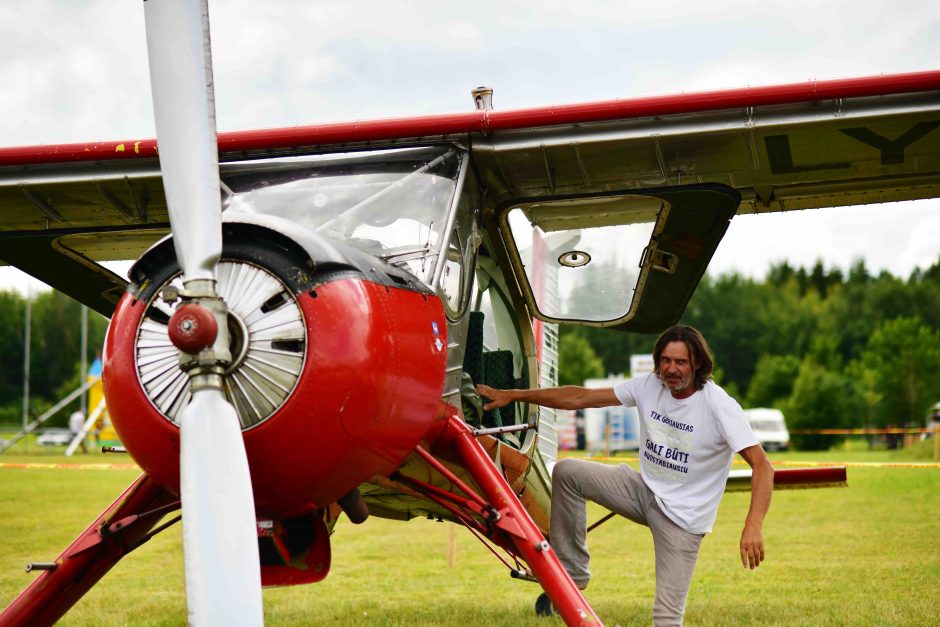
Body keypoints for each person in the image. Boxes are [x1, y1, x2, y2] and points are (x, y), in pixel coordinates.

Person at [476, 325, 773, 626]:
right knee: (568, 472)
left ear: (697, 363)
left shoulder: (719, 405)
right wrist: (514, 395)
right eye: (665, 360)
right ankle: (573, 572)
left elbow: (763, 466)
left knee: (667, 620)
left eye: (680, 362)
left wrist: (753, 525)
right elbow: (580, 398)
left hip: (682, 519)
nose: (671, 369)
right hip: (643, 491)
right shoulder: (649, 385)